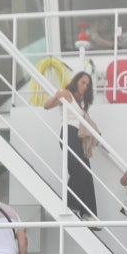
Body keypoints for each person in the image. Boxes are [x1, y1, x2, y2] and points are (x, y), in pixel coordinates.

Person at [44, 72, 100, 218]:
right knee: (79, 170)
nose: (85, 86)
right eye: (83, 82)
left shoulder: (81, 103)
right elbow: (46, 106)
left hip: (78, 138)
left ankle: (88, 213)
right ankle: (71, 205)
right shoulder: (67, 94)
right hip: (69, 133)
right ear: (76, 82)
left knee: (86, 173)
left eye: (87, 85)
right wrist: (57, 96)